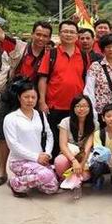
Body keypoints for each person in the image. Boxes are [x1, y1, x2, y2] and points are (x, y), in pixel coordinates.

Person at [0, 3, 53, 187]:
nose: (41, 38)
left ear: (49, 38)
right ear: (32, 34)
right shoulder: (19, 47)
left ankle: (29, 169)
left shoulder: (50, 54)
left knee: (34, 135)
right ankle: (2, 172)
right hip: (11, 95)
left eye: (45, 36)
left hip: (32, 99)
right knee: (3, 135)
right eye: (38, 34)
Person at [37, 20, 90, 158]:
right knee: (53, 140)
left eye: (72, 32)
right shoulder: (51, 54)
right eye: (65, 31)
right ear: (59, 34)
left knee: (74, 142)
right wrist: (42, 101)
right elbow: (43, 79)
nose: (68, 34)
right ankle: (53, 166)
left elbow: (87, 80)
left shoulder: (83, 55)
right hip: (54, 106)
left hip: (77, 107)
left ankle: (71, 167)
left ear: (77, 35)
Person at [2, 82, 57, 197]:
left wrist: (47, 154)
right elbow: (13, 145)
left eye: (33, 97)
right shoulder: (11, 118)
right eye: (26, 97)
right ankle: (15, 183)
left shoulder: (40, 115)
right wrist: (36, 157)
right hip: (19, 161)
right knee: (46, 175)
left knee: (52, 188)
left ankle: (28, 179)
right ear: (19, 98)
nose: (30, 100)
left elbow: (49, 135)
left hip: (39, 160)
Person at [53, 94, 96, 187]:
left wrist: (82, 164)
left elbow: (88, 147)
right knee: (60, 162)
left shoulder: (93, 123)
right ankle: (64, 178)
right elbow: (63, 145)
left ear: (90, 108)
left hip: (84, 155)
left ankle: (73, 179)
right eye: (78, 106)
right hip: (69, 154)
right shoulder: (65, 122)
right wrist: (74, 161)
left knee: (85, 175)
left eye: (85, 106)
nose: (81, 109)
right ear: (73, 108)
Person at [89, 103, 112, 190]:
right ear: (103, 118)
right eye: (108, 116)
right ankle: (98, 178)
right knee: (96, 164)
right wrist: (109, 158)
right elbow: (98, 151)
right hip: (103, 161)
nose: (111, 119)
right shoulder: (98, 133)